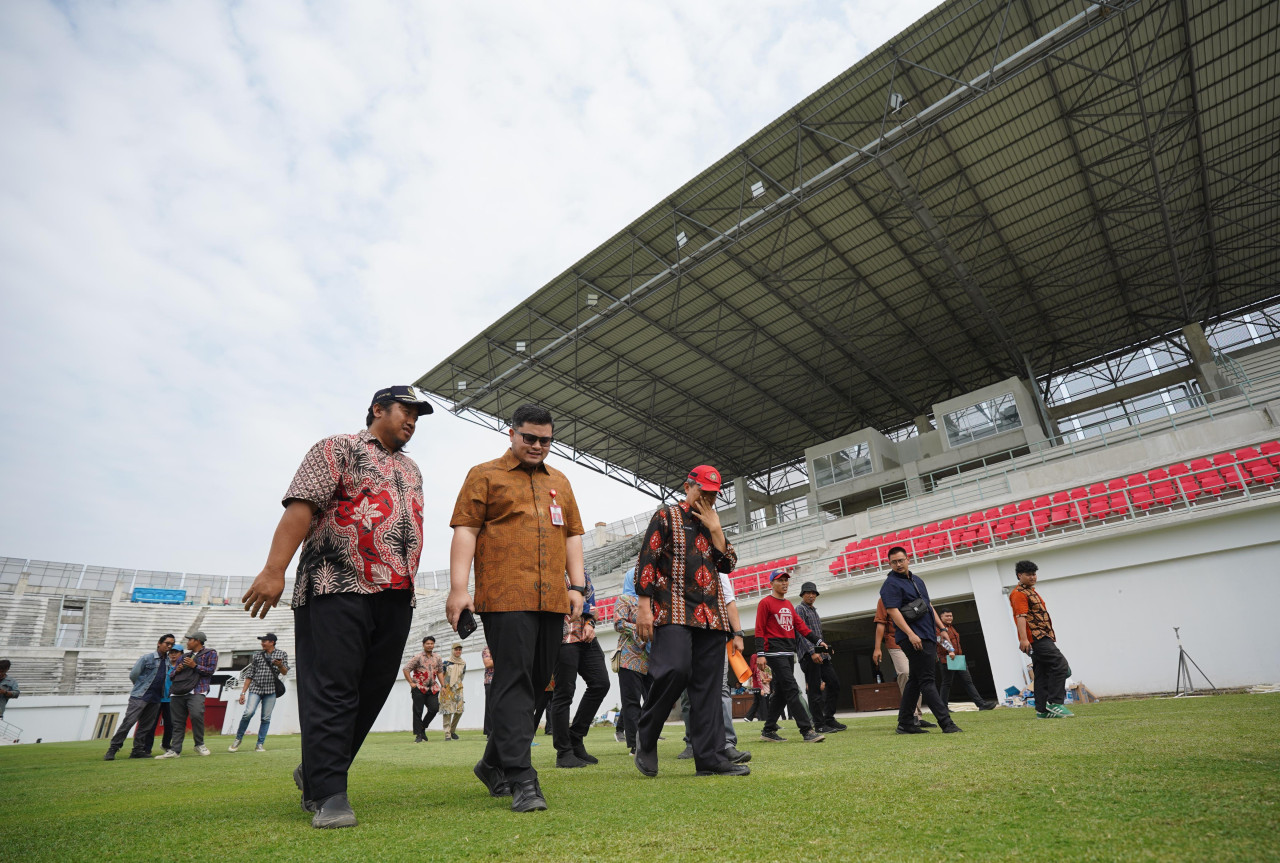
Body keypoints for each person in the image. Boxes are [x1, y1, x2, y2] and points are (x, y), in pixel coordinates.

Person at [240, 385, 432, 829]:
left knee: (375, 688)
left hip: (396, 591)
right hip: (336, 583)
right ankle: (328, 793)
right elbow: (301, 508)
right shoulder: (336, 448)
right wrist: (274, 570)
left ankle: (315, 770)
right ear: (377, 409)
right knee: (334, 689)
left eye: (418, 416)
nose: (412, 421)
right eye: (407, 410)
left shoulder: (412, 469)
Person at [448, 403, 587, 812]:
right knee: (513, 680)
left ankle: (491, 763)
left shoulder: (560, 480)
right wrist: (459, 589)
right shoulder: (484, 474)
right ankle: (522, 777)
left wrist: (577, 586)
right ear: (512, 434)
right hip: (504, 595)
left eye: (545, 440)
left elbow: (573, 536)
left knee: (538, 683)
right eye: (530, 437)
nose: (537, 445)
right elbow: (466, 530)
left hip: (552, 599)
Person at [633, 465, 750, 778]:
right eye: (703, 492)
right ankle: (647, 733)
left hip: (711, 616)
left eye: (713, 495)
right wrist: (644, 606)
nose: (707, 499)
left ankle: (710, 758)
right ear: (688, 486)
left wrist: (716, 529)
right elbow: (647, 559)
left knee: (709, 689)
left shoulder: (713, 521)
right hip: (672, 610)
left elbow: (729, 564)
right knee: (674, 669)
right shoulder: (666, 516)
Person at [879, 547, 961, 735]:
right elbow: (892, 611)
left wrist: (942, 629)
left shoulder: (917, 580)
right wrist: (910, 634)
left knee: (915, 680)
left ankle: (905, 723)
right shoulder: (890, 584)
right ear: (889, 564)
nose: (898, 564)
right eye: (894, 562)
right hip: (914, 638)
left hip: (928, 635)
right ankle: (946, 723)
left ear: (908, 560)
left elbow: (928, 605)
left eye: (901, 560)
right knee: (927, 680)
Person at [678, 570, 751, 764]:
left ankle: (727, 744)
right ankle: (692, 742)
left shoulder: (719, 569)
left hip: (715, 635)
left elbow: (729, 600)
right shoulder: (679, 563)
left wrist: (738, 633)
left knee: (721, 690)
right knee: (688, 694)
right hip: (686, 634)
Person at [755, 571, 826, 744]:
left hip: (788, 652)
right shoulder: (765, 603)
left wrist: (818, 640)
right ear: (771, 583)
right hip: (774, 652)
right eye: (780, 580)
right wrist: (760, 654)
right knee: (792, 688)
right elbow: (759, 629)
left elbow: (801, 627)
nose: (784, 583)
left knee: (780, 692)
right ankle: (806, 730)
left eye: (786, 580)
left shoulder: (787, 604)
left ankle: (769, 730)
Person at [551, 572, 610, 768]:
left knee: (601, 683)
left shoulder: (581, 573)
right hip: (562, 637)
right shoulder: (550, 568)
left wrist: (590, 623)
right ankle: (563, 752)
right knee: (564, 692)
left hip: (586, 635)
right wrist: (585, 609)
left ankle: (576, 738)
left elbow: (591, 603)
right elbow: (560, 601)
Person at [1010, 560, 1074, 718]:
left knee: (1042, 673)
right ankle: (1054, 702)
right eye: (1028, 574)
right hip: (1036, 638)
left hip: (1043, 636)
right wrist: (1024, 640)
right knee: (1060, 665)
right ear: (1020, 575)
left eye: (1034, 574)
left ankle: (1042, 710)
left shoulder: (1031, 591)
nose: (1032, 577)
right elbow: (1020, 617)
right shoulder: (1018, 593)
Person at [104, 634, 175, 760]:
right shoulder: (147, 658)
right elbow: (133, 675)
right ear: (159, 643)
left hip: (156, 698)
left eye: (171, 644)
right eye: (167, 643)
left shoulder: (168, 661)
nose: (169, 646)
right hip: (140, 696)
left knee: (145, 726)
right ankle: (112, 749)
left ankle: (137, 750)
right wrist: (140, 688)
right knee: (128, 723)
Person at [795, 581, 847, 734]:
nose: (811, 595)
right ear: (802, 594)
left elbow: (817, 635)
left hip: (822, 655)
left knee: (834, 683)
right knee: (815, 690)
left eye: (813, 593)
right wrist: (812, 652)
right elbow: (800, 633)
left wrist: (826, 649)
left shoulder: (813, 610)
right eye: (808, 593)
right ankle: (818, 724)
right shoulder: (800, 609)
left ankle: (829, 718)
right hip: (809, 656)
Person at [157, 631, 218, 757]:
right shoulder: (183, 656)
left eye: (189, 640)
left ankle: (199, 744)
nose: (187, 642)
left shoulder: (210, 653)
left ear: (197, 641)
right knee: (177, 722)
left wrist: (195, 666)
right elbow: (172, 676)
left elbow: (210, 671)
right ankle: (175, 750)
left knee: (196, 715)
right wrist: (177, 670)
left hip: (197, 690)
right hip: (178, 691)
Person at [229, 632, 290, 752]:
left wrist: (280, 665)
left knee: (266, 718)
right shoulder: (257, 655)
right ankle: (238, 739)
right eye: (262, 641)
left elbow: (284, 672)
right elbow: (250, 674)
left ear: (272, 642)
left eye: (264, 641)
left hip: (271, 690)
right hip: (255, 688)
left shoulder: (282, 654)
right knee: (248, 713)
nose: (262, 643)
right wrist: (242, 693)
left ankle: (260, 744)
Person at [873, 596, 926, 728]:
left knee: (918, 676)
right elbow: (880, 623)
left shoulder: (913, 594)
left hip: (916, 641)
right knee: (905, 673)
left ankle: (918, 716)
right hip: (895, 641)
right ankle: (911, 714)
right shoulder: (884, 599)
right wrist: (877, 648)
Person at [613, 568, 650, 753]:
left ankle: (649, 738)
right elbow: (618, 623)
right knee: (631, 701)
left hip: (651, 657)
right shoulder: (624, 599)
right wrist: (640, 631)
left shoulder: (651, 601)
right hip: (630, 657)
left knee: (652, 699)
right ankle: (635, 745)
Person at [934, 608, 995, 710]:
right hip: (947, 659)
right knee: (947, 683)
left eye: (951, 616)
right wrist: (950, 650)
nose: (949, 618)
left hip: (958, 658)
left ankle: (981, 704)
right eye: (947, 616)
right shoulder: (938, 628)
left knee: (967, 681)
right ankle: (942, 707)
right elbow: (940, 640)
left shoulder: (952, 628)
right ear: (941, 617)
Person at [404, 636, 443, 742]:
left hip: (432, 688)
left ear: (434, 645)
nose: (430, 645)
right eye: (428, 643)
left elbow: (439, 671)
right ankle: (418, 735)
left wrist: (443, 685)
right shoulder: (417, 657)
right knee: (418, 711)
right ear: (423, 645)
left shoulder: (438, 657)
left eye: (432, 643)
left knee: (434, 708)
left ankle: (422, 727)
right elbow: (406, 669)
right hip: (419, 687)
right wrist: (411, 683)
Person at [440, 644, 467, 740]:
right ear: (452, 650)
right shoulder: (446, 663)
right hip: (447, 688)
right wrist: (443, 686)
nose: (458, 651)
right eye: (456, 650)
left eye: (460, 650)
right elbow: (441, 675)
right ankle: (447, 734)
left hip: (458, 688)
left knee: (459, 710)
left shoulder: (463, 663)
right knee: (447, 711)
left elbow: (462, 676)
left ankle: (452, 730)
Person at [743, 654, 770, 721]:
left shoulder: (752, 667)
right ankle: (764, 718)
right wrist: (762, 689)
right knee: (763, 703)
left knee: (756, 702)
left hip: (755, 687)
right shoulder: (758, 667)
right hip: (760, 687)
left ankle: (748, 717)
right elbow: (759, 679)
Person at [481, 645, 494, 737]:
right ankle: (489, 732)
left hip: (504, 681)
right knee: (490, 707)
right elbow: (488, 664)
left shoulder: (505, 647)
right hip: (490, 681)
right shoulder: (487, 649)